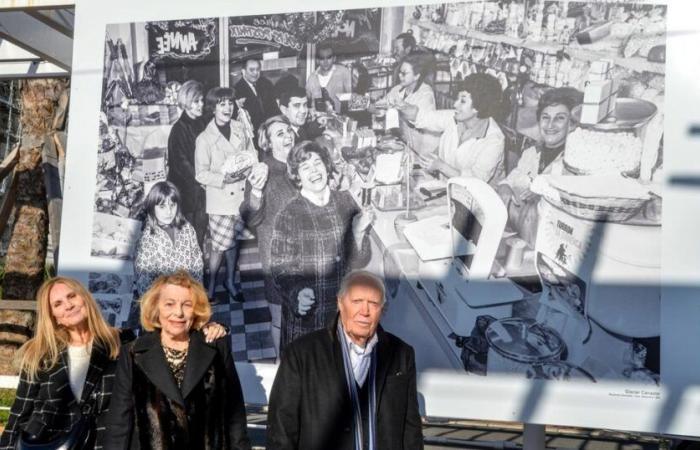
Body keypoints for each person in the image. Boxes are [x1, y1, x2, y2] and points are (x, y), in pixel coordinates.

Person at [0, 277, 227, 450]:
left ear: (85, 299)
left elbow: (172, 329)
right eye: (57, 304)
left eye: (72, 297)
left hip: (103, 443)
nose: (68, 305)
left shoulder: (125, 342)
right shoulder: (39, 354)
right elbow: (19, 414)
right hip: (48, 443)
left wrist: (208, 327)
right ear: (53, 315)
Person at [267, 270, 424, 450]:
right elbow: (282, 429)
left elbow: (410, 427)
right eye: (357, 302)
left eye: (373, 303)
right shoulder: (302, 354)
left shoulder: (402, 354)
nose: (364, 311)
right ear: (340, 303)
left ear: (381, 309)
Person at [103, 271, 251, 450]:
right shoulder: (133, 353)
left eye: (187, 305)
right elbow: (119, 423)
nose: (178, 313)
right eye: (169, 304)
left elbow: (234, 416)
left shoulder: (216, 348)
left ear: (195, 310)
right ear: (156, 308)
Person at [269, 141, 373, 351]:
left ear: (327, 166)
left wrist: (359, 233)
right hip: (306, 318)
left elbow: (360, 259)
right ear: (297, 177)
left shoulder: (345, 202)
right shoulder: (289, 214)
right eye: (305, 167)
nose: (314, 170)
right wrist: (297, 293)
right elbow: (280, 268)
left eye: (318, 163)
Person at [195, 86, 264, 302]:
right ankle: (212, 285)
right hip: (219, 200)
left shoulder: (240, 127)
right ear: (212, 108)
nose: (227, 107)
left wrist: (251, 166)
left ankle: (231, 282)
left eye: (230, 103)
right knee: (218, 248)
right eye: (221, 103)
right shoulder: (204, 139)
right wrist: (225, 178)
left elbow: (251, 153)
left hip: (240, 199)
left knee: (234, 244)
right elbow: (201, 174)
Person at [240, 115, 296, 357]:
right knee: (280, 319)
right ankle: (281, 365)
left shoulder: (304, 164)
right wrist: (256, 192)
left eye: (288, 130)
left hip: (308, 255)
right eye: (279, 134)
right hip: (277, 258)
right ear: (268, 143)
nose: (287, 135)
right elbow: (250, 217)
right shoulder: (263, 172)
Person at [496, 87, 580, 245]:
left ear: (572, 124)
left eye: (560, 118)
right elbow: (508, 181)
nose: (550, 124)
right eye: (545, 117)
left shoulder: (573, 164)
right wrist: (504, 187)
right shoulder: (530, 153)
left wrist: (544, 196)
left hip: (550, 243)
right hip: (521, 237)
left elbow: (572, 207)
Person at [398, 73, 506, 185]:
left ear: (479, 107)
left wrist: (440, 166)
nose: (455, 104)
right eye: (457, 99)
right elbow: (422, 117)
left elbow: (476, 180)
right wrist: (401, 106)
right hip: (446, 188)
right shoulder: (454, 118)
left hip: (478, 198)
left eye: (462, 101)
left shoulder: (494, 140)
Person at [133, 181, 203, 297]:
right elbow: (144, 283)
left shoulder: (186, 228)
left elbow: (197, 262)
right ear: (152, 207)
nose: (169, 212)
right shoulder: (146, 240)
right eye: (162, 206)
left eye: (172, 205)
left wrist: (197, 291)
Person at [167, 80, 208, 247]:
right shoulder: (178, 129)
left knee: (201, 232)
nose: (201, 105)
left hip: (201, 189)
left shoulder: (202, 123)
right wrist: (202, 179)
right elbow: (181, 164)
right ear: (186, 102)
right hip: (187, 193)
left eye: (202, 100)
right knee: (189, 237)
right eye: (196, 101)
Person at [372, 53, 439, 154]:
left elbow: (417, 118)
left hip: (424, 148)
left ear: (417, 76)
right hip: (407, 142)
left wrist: (398, 106)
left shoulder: (426, 94)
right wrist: (369, 105)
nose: (400, 76)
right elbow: (379, 106)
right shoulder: (398, 89)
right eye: (399, 72)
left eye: (404, 73)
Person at [234, 58, 280, 142]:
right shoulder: (237, 91)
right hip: (252, 138)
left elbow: (274, 108)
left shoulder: (266, 84)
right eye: (251, 70)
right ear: (243, 71)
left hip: (270, 132)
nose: (255, 73)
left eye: (258, 69)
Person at [306, 41, 352, 114]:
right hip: (317, 121)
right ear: (317, 60)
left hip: (339, 120)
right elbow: (308, 102)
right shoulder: (311, 78)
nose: (325, 61)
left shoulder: (344, 72)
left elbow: (351, 97)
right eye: (322, 58)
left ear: (334, 58)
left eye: (328, 57)